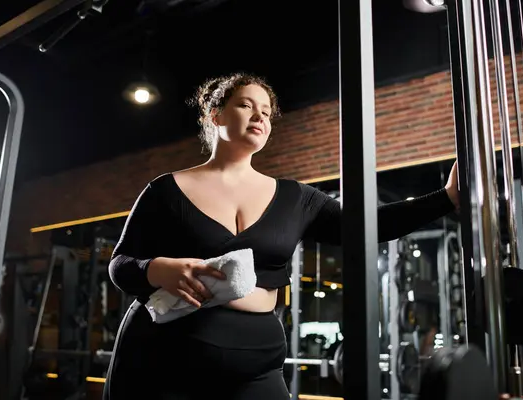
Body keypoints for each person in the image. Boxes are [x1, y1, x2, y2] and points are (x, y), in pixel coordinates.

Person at [103, 72, 460, 400]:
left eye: (267, 112)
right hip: (164, 359)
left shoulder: (296, 198)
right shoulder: (165, 190)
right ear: (216, 115)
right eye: (245, 105)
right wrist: (155, 269)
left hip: (257, 365)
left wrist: (445, 198)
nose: (259, 116)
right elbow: (120, 265)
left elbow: (369, 225)